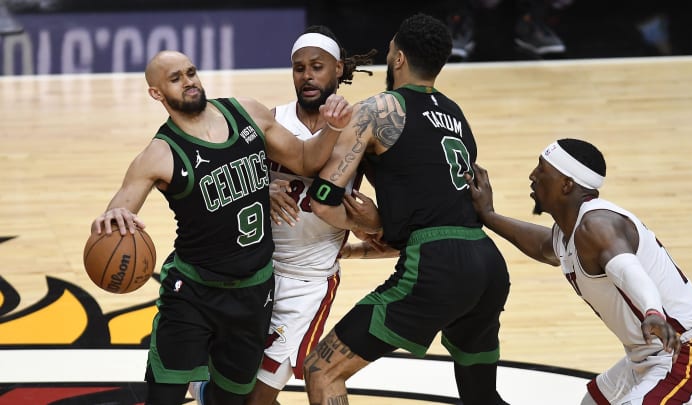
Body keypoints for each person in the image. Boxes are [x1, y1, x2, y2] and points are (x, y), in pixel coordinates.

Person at [89, 50, 351, 405]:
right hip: (192, 293)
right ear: (157, 93)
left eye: (191, 72)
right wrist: (110, 218)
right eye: (176, 78)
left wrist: (333, 127)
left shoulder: (247, 113)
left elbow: (306, 160)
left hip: (253, 291)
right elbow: (122, 207)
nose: (190, 82)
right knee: (163, 397)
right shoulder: (160, 153)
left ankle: (203, 390)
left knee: (228, 401)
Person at [303, 13, 511, 404]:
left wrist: (363, 224)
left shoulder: (378, 110)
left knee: (322, 370)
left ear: (398, 59)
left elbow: (323, 200)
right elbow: (436, 213)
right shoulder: (456, 117)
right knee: (482, 396)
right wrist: (376, 231)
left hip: (437, 268)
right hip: (487, 265)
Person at [187, 25, 394, 405]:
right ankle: (206, 391)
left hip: (307, 284)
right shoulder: (271, 121)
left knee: (257, 398)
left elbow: (388, 218)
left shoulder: (359, 132)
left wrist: (372, 222)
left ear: (339, 68)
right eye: (299, 68)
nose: (307, 76)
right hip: (253, 272)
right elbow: (219, 184)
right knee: (234, 395)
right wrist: (258, 189)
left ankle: (205, 391)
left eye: (317, 66)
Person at [465, 138, 692, 404]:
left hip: (687, 353)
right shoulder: (570, 233)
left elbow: (628, 270)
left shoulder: (597, 225)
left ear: (566, 184)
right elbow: (542, 246)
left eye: (542, 169)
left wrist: (652, 311)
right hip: (647, 355)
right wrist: (489, 216)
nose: (533, 175)